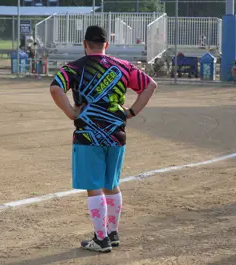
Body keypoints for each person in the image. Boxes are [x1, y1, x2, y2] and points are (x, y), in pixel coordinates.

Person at [50, 25, 157, 252]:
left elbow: (55, 89)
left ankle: (101, 239)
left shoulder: (74, 68)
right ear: (106, 45)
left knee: (93, 186)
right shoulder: (124, 67)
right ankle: (112, 232)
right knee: (112, 184)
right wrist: (131, 112)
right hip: (117, 132)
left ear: (85, 44)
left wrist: (71, 112)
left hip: (88, 133)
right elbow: (150, 85)